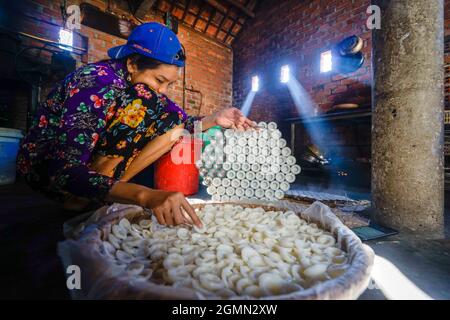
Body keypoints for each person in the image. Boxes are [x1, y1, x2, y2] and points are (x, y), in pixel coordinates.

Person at [17, 22, 256, 227]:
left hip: (89, 170)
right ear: (132, 64)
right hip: (46, 170)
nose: (162, 91)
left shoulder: (141, 91)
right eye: (159, 80)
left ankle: (100, 193)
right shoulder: (95, 83)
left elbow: (182, 122)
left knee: (175, 126)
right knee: (147, 107)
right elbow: (64, 171)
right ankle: (79, 197)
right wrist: (145, 196)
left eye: (169, 84)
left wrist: (215, 119)